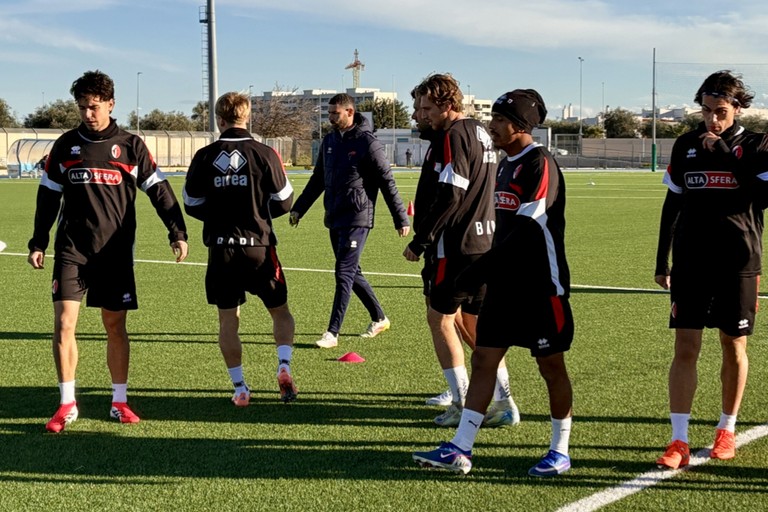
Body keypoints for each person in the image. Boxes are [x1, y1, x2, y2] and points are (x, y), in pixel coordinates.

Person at [413, 89, 574, 477]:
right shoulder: (504, 165)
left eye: (500, 120)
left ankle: (560, 450)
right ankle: (461, 448)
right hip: (503, 284)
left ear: (520, 125)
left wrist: (480, 267)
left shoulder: (540, 163)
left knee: (551, 367)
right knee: (484, 359)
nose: (493, 126)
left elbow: (524, 227)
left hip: (540, 287)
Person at [27, 70, 189, 433]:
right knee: (65, 324)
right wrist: (38, 240)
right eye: (82, 107)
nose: (88, 113)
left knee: (114, 326)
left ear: (111, 104)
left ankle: (119, 400)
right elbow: (48, 196)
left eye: (94, 106)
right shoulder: (66, 146)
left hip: (114, 253)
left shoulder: (131, 145)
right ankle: (66, 403)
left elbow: (160, 191)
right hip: (72, 250)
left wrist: (177, 231)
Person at [653, 70, 768, 469]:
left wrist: (723, 154)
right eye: (706, 111)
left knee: (733, 345)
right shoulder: (685, 144)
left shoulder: (757, 145)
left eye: (720, 111)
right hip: (690, 262)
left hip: (738, 263)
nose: (712, 120)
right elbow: (672, 205)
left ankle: (726, 429)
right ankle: (679, 439)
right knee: (685, 347)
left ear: (738, 108)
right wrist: (661, 259)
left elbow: (761, 196)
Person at [408, 80, 519, 428]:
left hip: (455, 246)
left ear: (446, 104)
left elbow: (451, 196)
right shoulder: (480, 132)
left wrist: (422, 239)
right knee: (474, 325)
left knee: (439, 319)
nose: (420, 115)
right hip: (486, 243)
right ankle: (504, 402)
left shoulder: (455, 135)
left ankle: (460, 401)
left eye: (426, 109)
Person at [184, 91, 297, 404]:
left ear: (219, 119)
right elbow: (285, 202)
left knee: (228, 321)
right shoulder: (265, 153)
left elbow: (191, 203)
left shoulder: (205, 156)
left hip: (221, 250)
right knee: (281, 313)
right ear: (247, 117)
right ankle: (283, 365)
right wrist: (259, 212)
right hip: (259, 247)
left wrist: (219, 214)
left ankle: (240, 388)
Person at [289, 93, 410, 348]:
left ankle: (332, 333)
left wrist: (401, 218)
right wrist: (299, 208)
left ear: (350, 112)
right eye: (329, 113)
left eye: (336, 113)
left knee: (343, 272)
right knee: (352, 272)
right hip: (335, 216)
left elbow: (387, 181)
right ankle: (379, 317)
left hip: (358, 217)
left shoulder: (368, 142)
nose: (331, 118)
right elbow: (318, 180)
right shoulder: (330, 141)